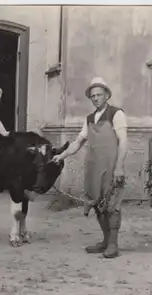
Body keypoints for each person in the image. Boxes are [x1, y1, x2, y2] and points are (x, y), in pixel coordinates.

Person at [52, 77, 128, 259]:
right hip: (94, 167)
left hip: (111, 166)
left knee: (112, 205)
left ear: (107, 95)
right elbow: (78, 141)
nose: (95, 98)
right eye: (92, 96)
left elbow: (123, 141)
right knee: (96, 204)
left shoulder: (116, 114)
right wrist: (61, 155)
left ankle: (113, 244)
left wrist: (119, 167)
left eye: (99, 95)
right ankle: (105, 240)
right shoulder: (89, 118)